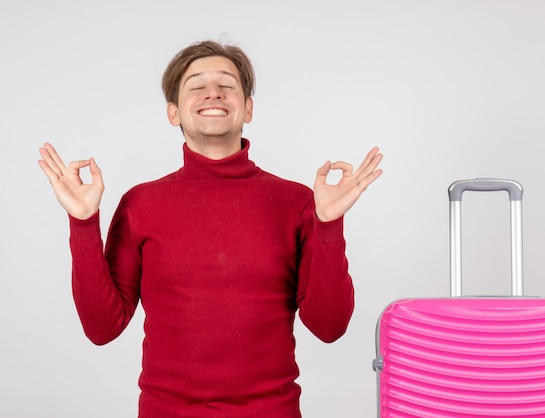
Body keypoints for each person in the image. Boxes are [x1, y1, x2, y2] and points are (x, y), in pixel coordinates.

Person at [38, 39, 383, 418]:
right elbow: (101, 328)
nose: (213, 93)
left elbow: (330, 326)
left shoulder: (297, 202)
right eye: (196, 85)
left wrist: (329, 225)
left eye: (227, 84)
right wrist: (83, 222)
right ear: (174, 112)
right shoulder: (141, 204)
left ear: (247, 108)